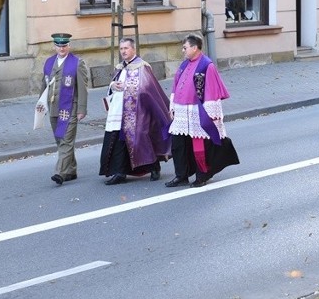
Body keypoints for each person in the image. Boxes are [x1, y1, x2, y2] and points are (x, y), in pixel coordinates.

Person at [99, 38, 172, 185]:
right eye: (121, 49)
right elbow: (112, 85)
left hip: (138, 111)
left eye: (126, 48)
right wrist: (113, 85)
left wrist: (130, 88)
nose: (123, 51)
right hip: (119, 110)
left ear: (134, 49)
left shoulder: (142, 67)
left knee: (142, 140)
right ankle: (120, 172)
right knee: (118, 141)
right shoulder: (119, 67)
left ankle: (154, 167)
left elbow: (148, 88)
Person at [165, 34, 232, 188]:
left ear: (194, 48)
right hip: (181, 111)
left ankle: (202, 175)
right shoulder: (183, 64)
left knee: (199, 146)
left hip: (197, 110)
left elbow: (212, 90)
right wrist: (173, 105)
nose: (183, 50)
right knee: (178, 145)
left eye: (185, 47)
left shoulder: (207, 65)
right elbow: (176, 86)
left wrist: (209, 115)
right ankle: (181, 175)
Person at [36, 33, 88, 186]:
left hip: (70, 107)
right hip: (53, 107)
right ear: (54, 46)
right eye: (58, 45)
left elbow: (83, 88)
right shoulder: (49, 62)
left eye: (64, 45)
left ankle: (60, 172)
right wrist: (41, 104)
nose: (61, 48)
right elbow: (44, 85)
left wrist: (82, 109)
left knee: (66, 140)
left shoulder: (77, 63)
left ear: (69, 46)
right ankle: (71, 170)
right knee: (60, 140)